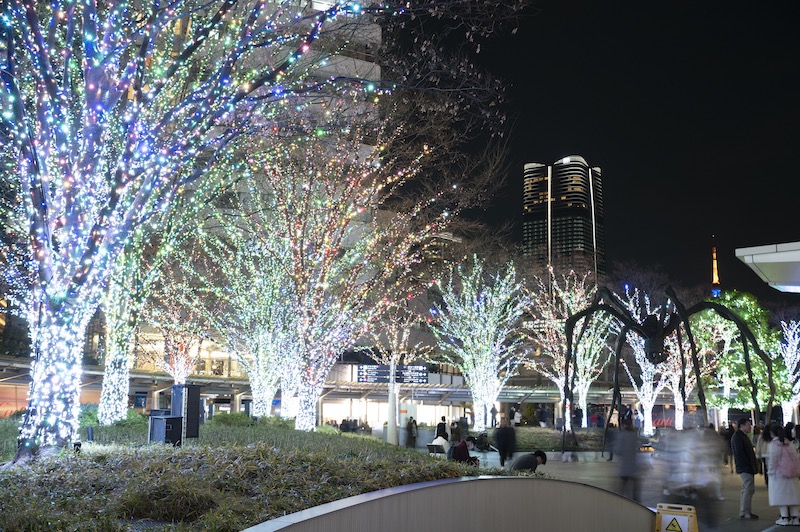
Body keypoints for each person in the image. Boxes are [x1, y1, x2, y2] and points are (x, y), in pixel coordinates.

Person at [768, 423, 800, 526]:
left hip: (779, 475)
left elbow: (773, 460)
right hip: (793, 474)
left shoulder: (773, 444)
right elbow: (796, 459)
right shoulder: (789, 443)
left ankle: (784, 518)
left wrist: (770, 472)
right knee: (793, 497)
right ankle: (795, 519)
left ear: (771, 433)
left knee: (782, 497)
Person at [731, 417, 759, 520]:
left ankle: (745, 511)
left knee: (746, 489)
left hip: (745, 467)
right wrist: (749, 465)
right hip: (745, 467)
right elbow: (740, 454)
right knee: (748, 489)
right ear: (742, 426)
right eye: (748, 425)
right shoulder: (739, 437)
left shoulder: (741, 436)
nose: (750, 427)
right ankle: (746, 512)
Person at [614, 418, 642, 502]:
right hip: (633, 464)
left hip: (625, 464)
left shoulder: (622, 435)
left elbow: (618, 450)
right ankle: (636, 501)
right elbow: (638, 447)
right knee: (635, 486)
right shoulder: (634, 435)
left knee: (623, 485)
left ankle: (621, 501)